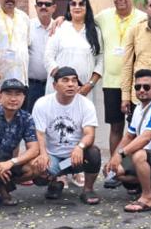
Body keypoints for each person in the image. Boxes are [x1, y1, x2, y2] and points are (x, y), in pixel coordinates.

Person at [95, 0, 144, 187]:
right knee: (116, 127)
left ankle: (132, 169)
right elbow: (82, 18)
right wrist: (61, 19)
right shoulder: (104, 17)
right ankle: (114, 171)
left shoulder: (143, 18)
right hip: (111, 82)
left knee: (136, 129)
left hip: (136, 84)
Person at [109, 69, 151, 212]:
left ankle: (147, 198)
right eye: (137, 87)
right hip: (146, 157)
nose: (141, 90)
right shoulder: (139, 108)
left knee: (139, 154)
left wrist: (121, 154)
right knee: (114, 171)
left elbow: (146, 138)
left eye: (146, 87)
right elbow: (128, 136)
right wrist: (114, 157)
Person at [30, 66, 102, 204]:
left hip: (76, 158)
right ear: (54, 85)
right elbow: (39, 133)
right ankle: (55, 182)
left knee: (93, 153)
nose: (71, 84)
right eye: (65, 80)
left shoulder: (86, 104)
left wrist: (80, 147)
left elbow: (89, 134)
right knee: (38, 173)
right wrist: (43, 154)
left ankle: (88, 189)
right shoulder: (42, 104)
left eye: (74, 81)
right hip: (54, 158)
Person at [46, 0, 104, 97]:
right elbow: (48, 57)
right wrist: (63, 81)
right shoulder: (59, 28)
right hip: (60, 89)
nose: (77, 7)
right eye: (73, 4)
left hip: (86, 90)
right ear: (69, 7)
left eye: (81, 4)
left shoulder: (95, 31)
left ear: (87, 8)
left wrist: (89, 85)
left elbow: (100, 60)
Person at [27, 0, 57, 110]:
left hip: (53, 85)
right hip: (32, 86)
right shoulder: (27, 27)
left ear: (54, 7)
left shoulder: (60, 28)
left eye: (47, 4)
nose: (43, 7)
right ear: (35, 7)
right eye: (40, 4)